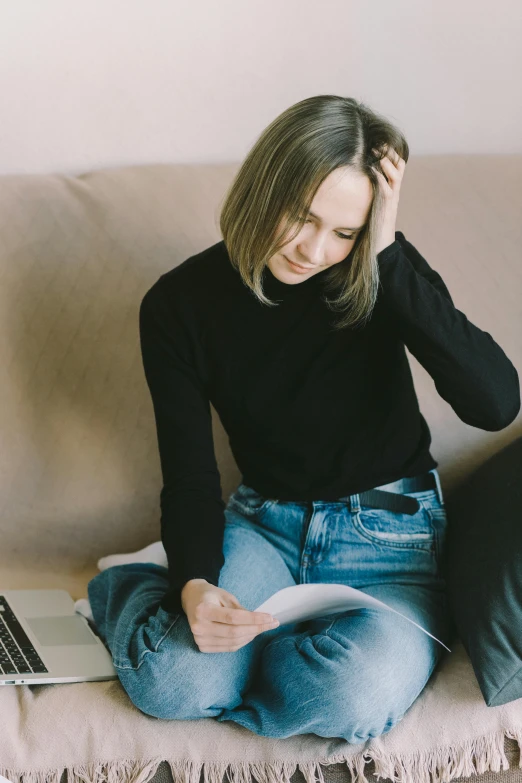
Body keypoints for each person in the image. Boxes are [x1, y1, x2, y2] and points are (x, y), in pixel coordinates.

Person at [84, 95, 520, 742]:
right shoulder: (177, 306)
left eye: (345, 231)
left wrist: (386, 252)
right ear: (267, 186)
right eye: (302, 217)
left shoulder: (380, 270)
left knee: (354, 693)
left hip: (391, 542)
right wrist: (196, 585)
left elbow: (496, 401)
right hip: (265, 527)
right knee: (175, 678)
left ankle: (261, 660)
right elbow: (191, 474)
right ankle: (127, 585)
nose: (316, 250)